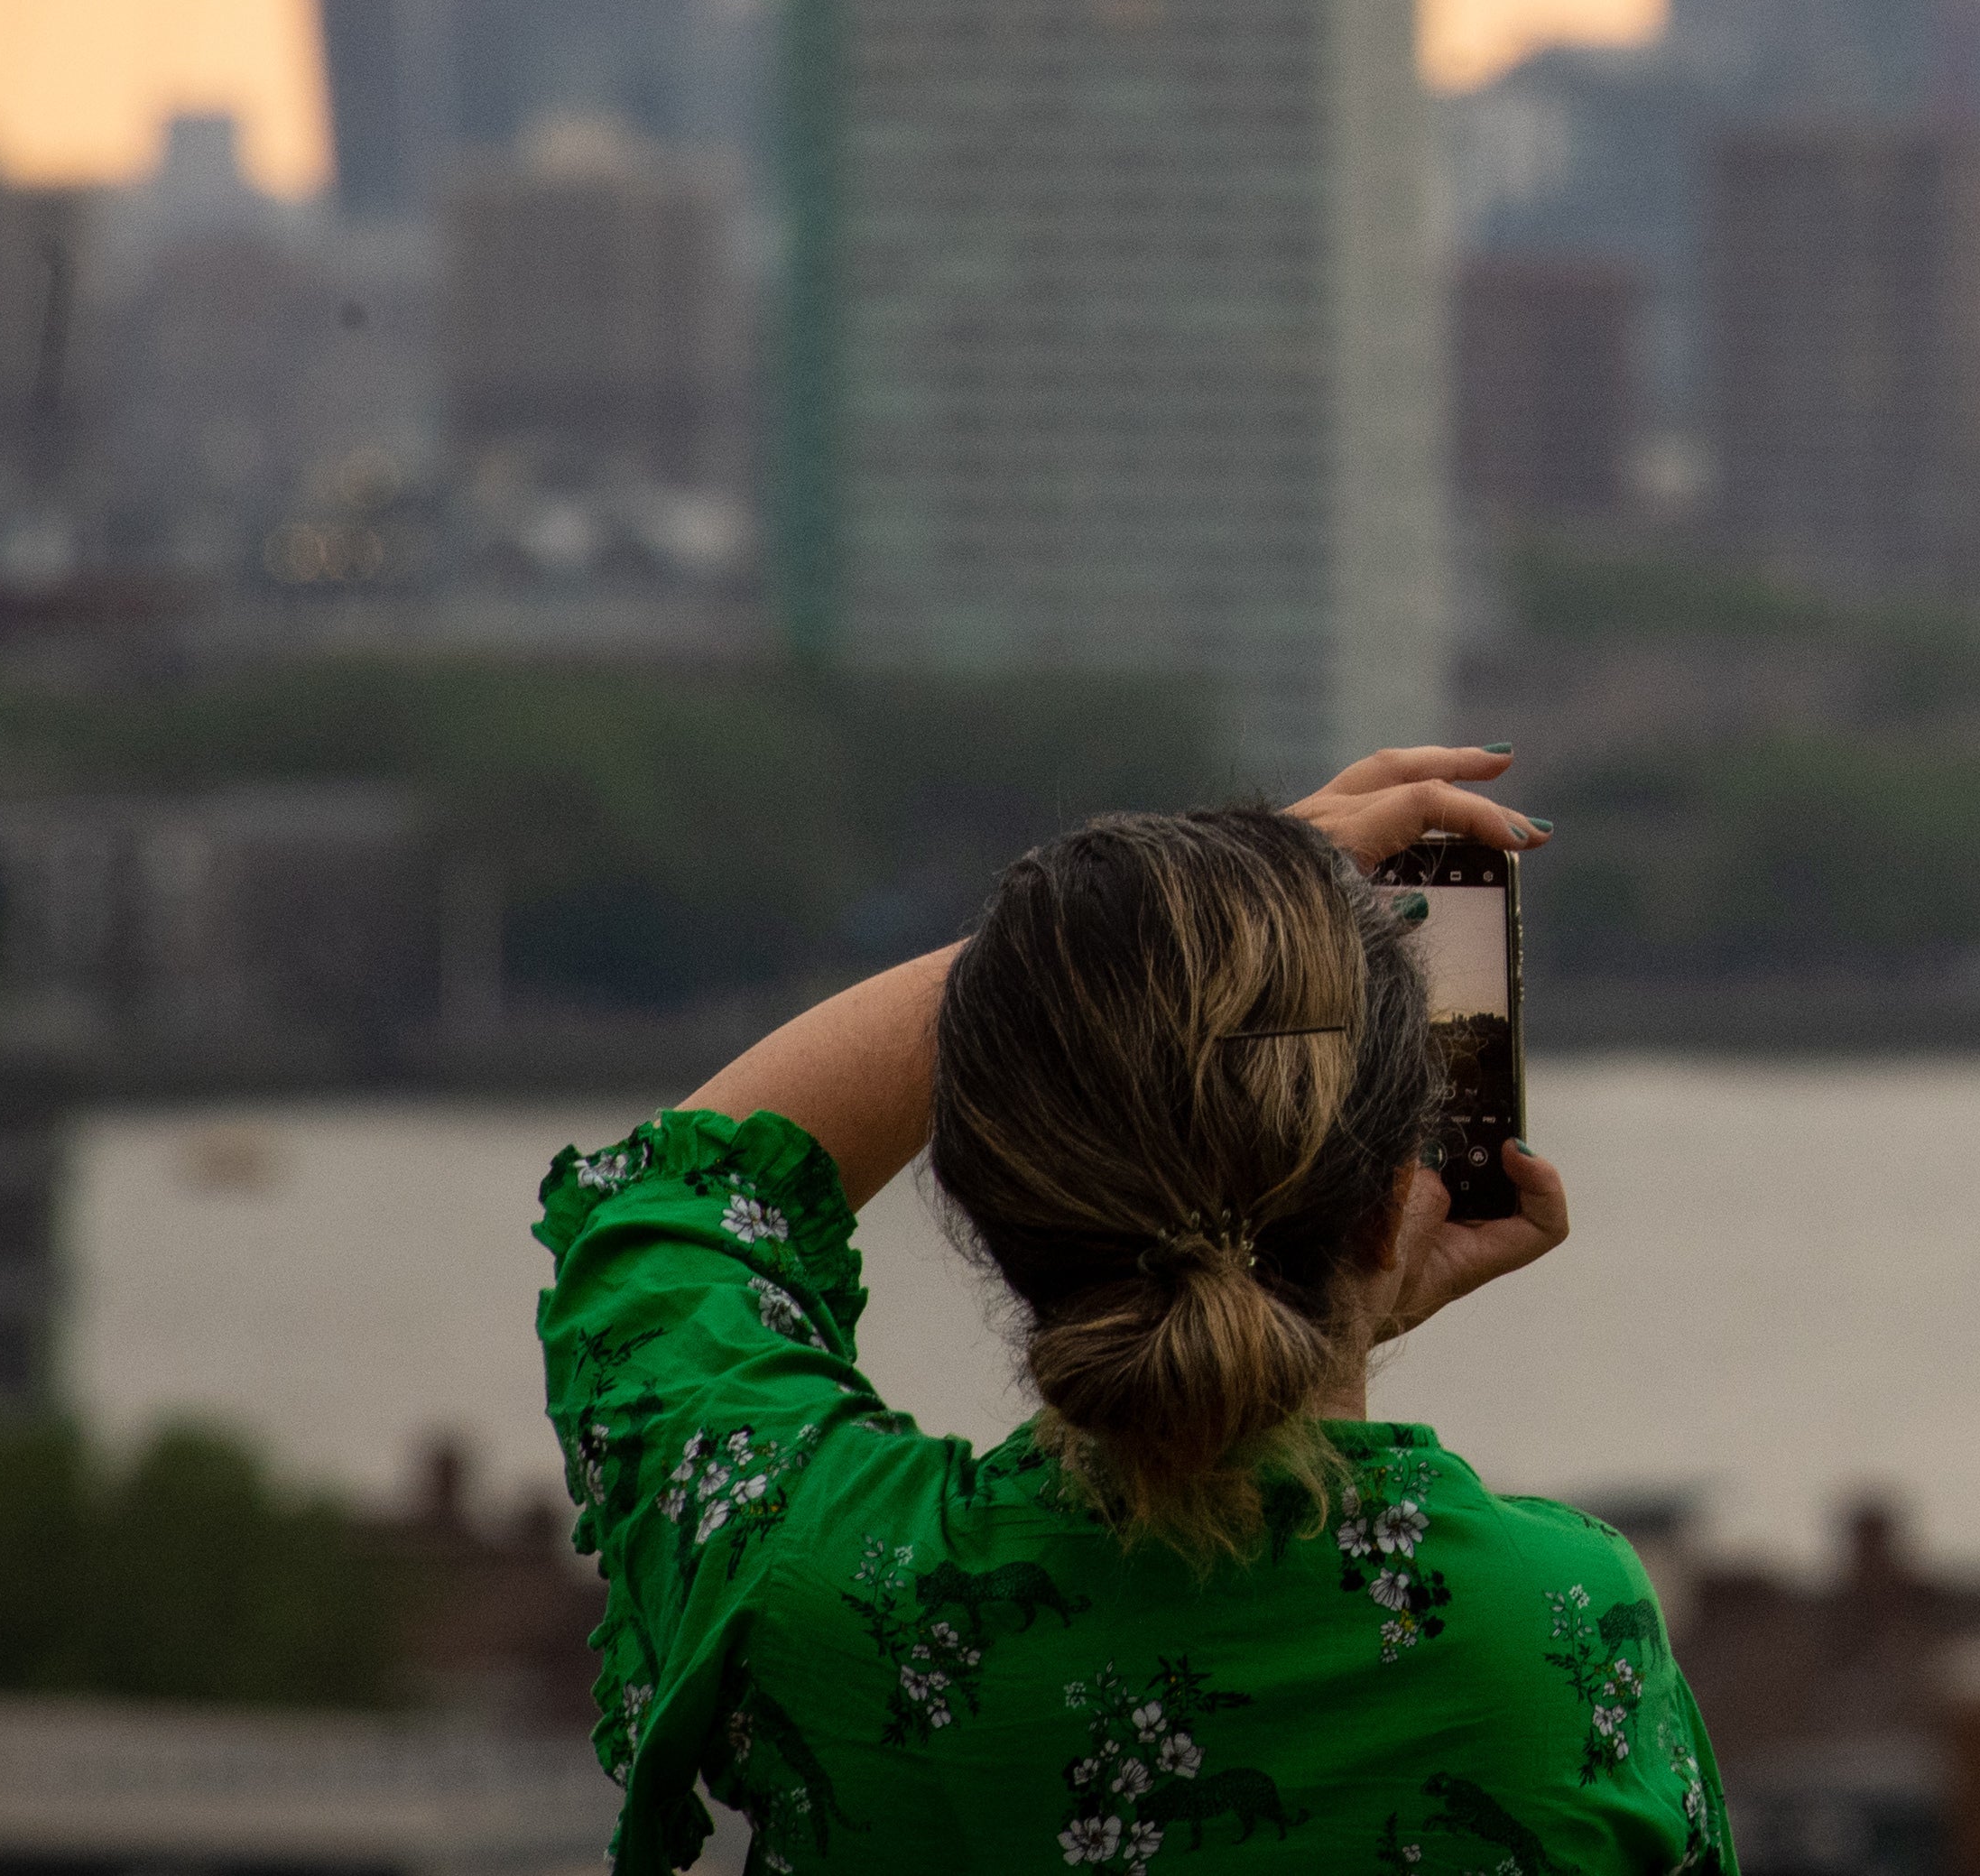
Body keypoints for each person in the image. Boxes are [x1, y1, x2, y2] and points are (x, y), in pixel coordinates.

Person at [532, 745, 1725, 1872]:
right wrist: (1333, 1321)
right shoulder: (1558, 1635)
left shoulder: (830, 1593)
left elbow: (666, 1212)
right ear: (1384, 1211)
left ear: (1010, 1197)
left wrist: (1090, 961)